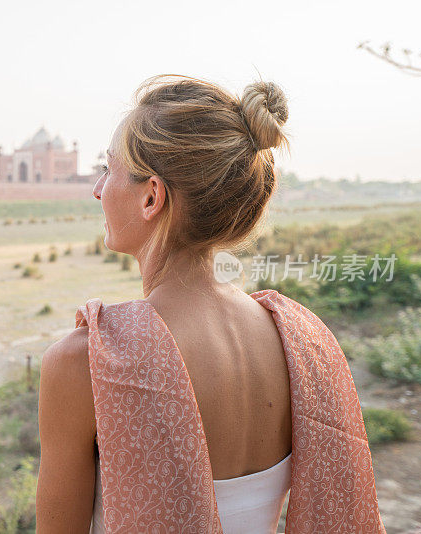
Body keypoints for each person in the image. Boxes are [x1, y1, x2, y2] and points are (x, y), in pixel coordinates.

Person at [35, 75, 384, 533]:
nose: (98, 189)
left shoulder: (85, 363)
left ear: (151, 197)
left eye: (108, 169)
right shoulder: (301, 342)